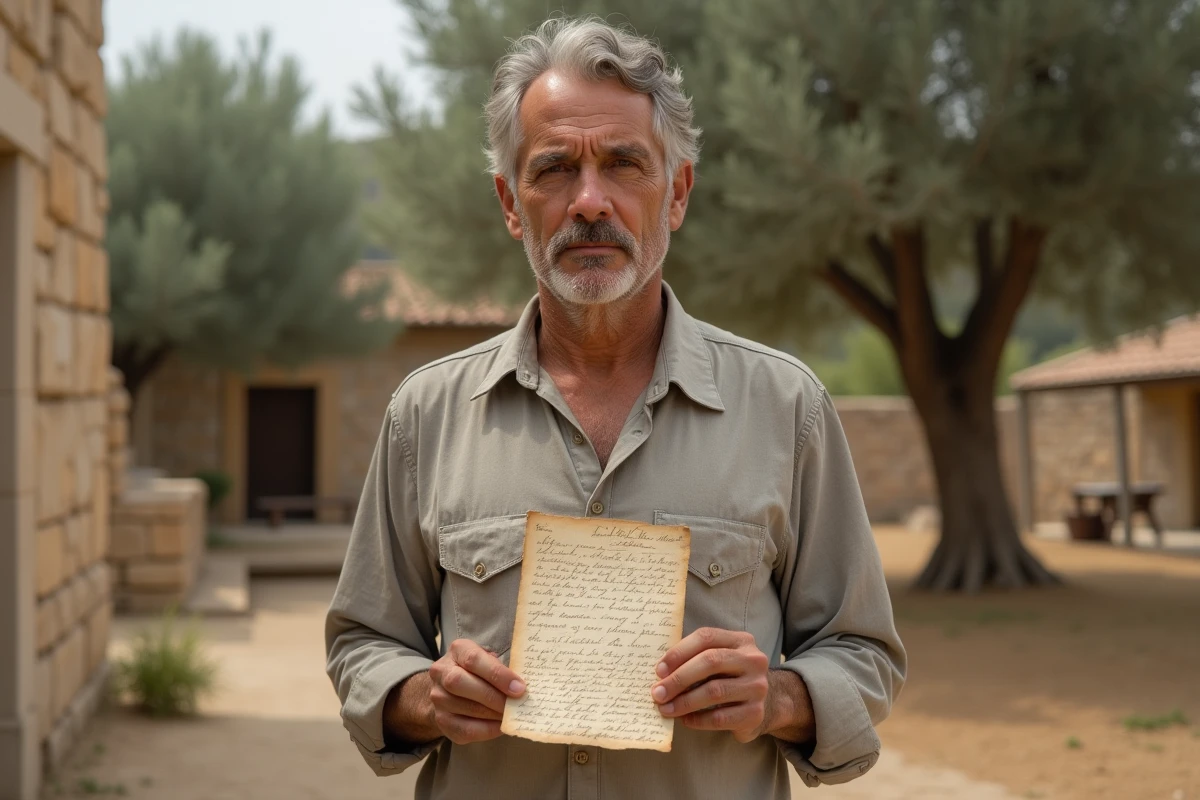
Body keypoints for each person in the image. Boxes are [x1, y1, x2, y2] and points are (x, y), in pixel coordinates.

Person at [325, 16, 905, 799]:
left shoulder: (786, 408)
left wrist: (777, 698)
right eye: (554, 168)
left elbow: (863, 653)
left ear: (677, 193)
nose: (590, 202)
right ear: (510, 202)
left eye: (625, 164)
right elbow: (363, 643)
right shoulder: (425, 415)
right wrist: (424, 697)